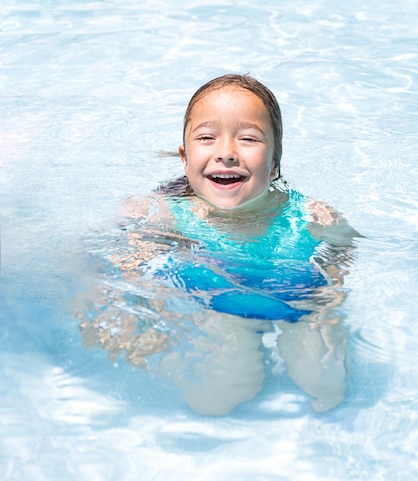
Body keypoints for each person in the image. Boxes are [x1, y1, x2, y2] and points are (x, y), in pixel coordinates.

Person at [78, 74, 361, 415]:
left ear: (274, 163)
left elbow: (342, 251)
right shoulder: (160, 213)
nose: (226, 152)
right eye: (207, 137)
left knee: (326, 381)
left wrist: (330, 292)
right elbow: (111, 260)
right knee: (219, 396)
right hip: (210, 300)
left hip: (297, 296)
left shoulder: (311, 215)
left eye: (247, 138)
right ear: (185, 158)